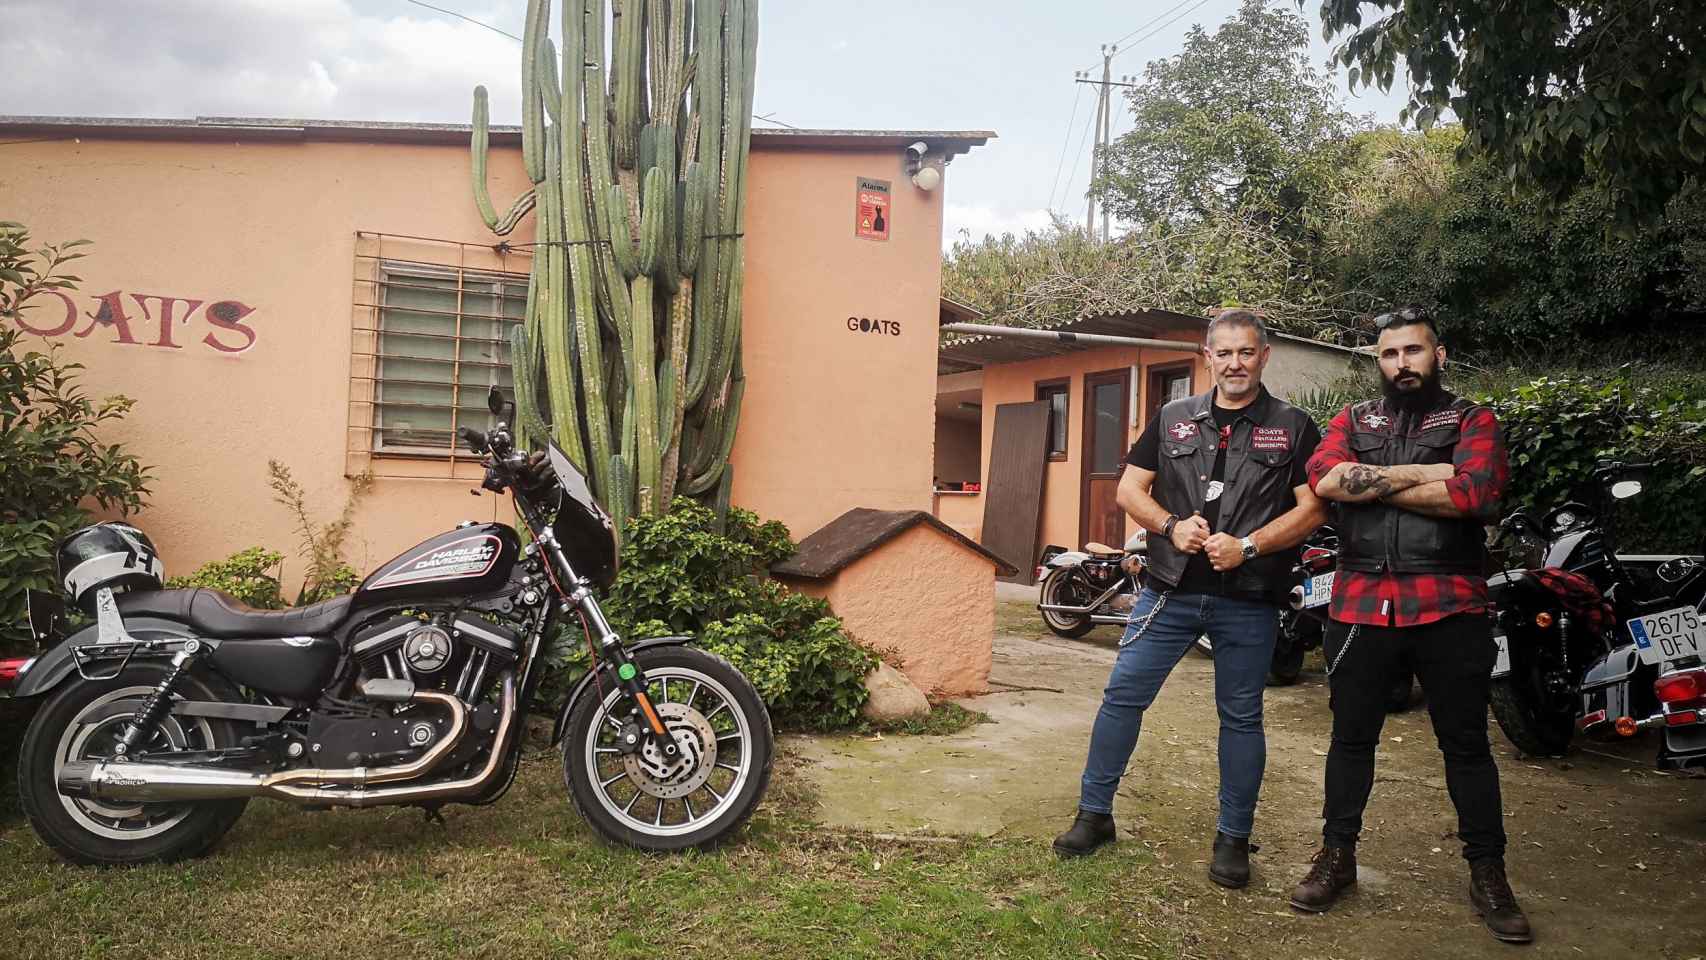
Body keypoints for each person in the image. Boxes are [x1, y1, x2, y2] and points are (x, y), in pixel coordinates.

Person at [1052, 309, 1326, 891]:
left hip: (1249, 599)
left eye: (1245, 352)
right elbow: (1129, 488)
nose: (1234, 363)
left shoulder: (1294, 425)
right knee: (1122, 699)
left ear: (1264, 356)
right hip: (1168, 591)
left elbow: (1313, 508)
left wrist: (1250, 546)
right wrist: (1172, 526)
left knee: (1242, 717)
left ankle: (1233, 838)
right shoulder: (1173, 418)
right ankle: (1093, 816)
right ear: (1208, 357)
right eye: (1223, 353)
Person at [1293, 306, 1531, 944]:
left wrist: (1370, 482)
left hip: (1450, 601)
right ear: (1379, 361)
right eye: (1390, 354)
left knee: (1467, 746)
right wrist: (1431, 473)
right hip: (1360, 604)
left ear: (1439, 355)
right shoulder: (1351, 419)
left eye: (1413, 351)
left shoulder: (1473, 419)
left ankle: (1488, 872)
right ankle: (1337, 856)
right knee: (1350, 741)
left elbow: (1478, 493)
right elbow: (1325, 476)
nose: (1402, 363)